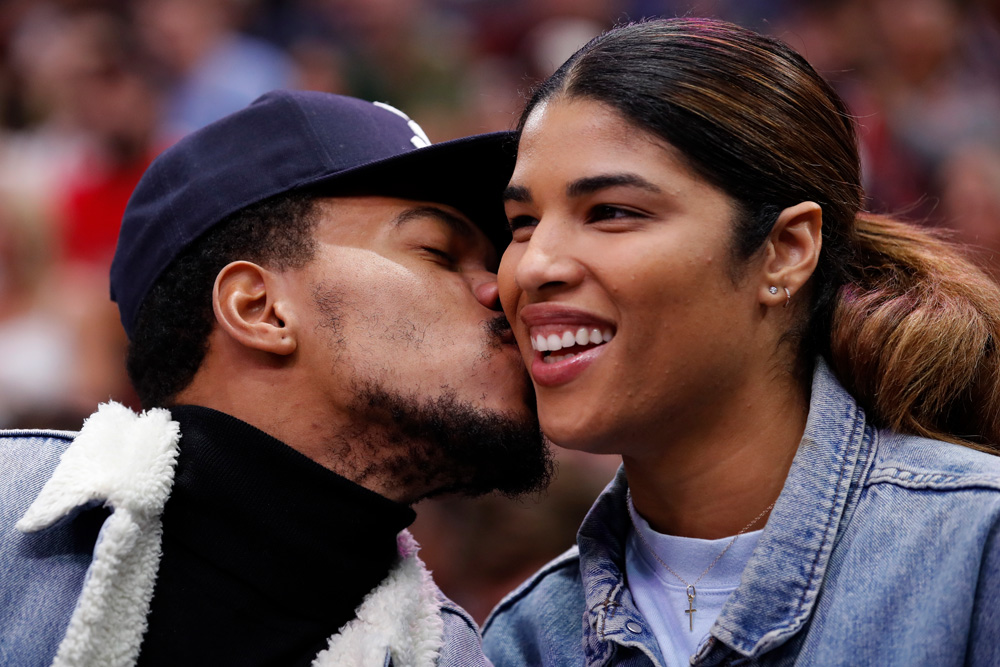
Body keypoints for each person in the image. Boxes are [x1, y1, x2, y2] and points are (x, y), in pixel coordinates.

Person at [482, 18, 1000, 667]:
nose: (533, 266)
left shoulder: (977, 546)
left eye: (611, 211)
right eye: (522, 222)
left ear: (786, 251)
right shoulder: (523, 638)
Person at [0, 89, 552, 667]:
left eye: (491, 261)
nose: (502, 288)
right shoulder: (14, 520)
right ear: (259, 309)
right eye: (440, 251)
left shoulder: (456, 655)